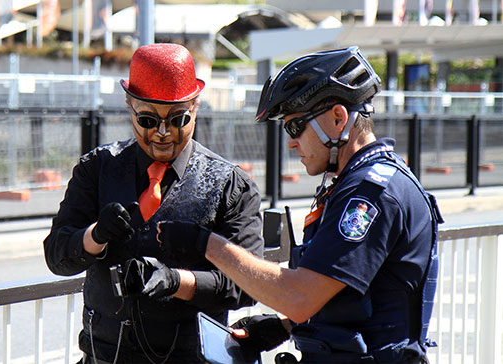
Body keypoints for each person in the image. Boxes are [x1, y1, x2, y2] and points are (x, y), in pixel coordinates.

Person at [157, 46, 444, 364]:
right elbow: (357, 295)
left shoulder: (369, 195)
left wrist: (206, 243)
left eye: (295, 126)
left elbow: (300, 297)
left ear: (338, 118)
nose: (291, 141)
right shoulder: (358, 183)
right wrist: (284, 327)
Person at [43, 43, 264, 364]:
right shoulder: (97, 169)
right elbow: (57, 256)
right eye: (148, 120)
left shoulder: (230, 185)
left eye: (178, 119)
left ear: (196, 107)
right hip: (106, 355)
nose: (163, 133)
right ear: (129, 106)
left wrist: (175, 281)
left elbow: (247, 285)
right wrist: (95, 236)